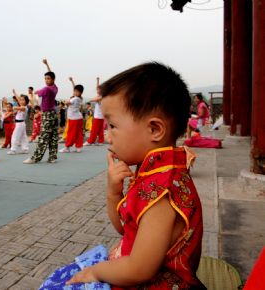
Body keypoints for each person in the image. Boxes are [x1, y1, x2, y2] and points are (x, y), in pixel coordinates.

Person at [62, 62, 205, 289]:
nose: (107, 137)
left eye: (112, 126)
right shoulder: (155, 172)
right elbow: (126, 228)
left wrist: (95, 272)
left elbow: (139, 270)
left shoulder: (162, 191)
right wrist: (113, 193)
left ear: (155, 130)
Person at [23, 59, 59, 164]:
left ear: (52, 79)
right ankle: (52, 157)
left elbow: (37, 94)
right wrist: (47, 65)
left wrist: (34, 92)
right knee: (53, 136)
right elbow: (52, 74)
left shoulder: (46, 89)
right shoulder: (55, 87)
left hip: (47, 114)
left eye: (48, 79)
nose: (46, 80)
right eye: (45, 79)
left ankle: (35, 158)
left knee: (43, 136)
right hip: (53, 113)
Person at [59, 77, 84, 153]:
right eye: (74, 91)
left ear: (80, 93)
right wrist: (72, 81)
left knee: (71, 133)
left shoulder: (74, 99)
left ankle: (67, 147)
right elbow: (75, 88)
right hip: (78, 118)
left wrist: (61, 103)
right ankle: (78, 147)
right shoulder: (80, 98)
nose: (75, 92)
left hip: (74, 119)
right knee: (78, 133)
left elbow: (67, 103)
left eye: (77, 91)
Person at [7, 90, 29, 155]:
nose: (21, 101)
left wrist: (13, 107)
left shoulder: (25, 107)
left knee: (15, 136)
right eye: (21, 100)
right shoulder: (22, 106)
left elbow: (18, 107)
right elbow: (19, 100)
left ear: (26, 101)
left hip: (20, 124)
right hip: (20, 124)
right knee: (23, 137)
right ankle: (25, 149)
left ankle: (13, 150)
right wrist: (15, 93)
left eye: (23, 100)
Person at [84, 77, 105, 146]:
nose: (97, 91)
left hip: (98, 117)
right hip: (100, 116)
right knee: (100, 130)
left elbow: (93, 99)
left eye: (98, 90)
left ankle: (90, 141)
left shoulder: (100, 97)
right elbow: (97, 88)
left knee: (94, 130)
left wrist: (90, 100)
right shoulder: (101, 96)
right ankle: (101, 141)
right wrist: (98, 81)